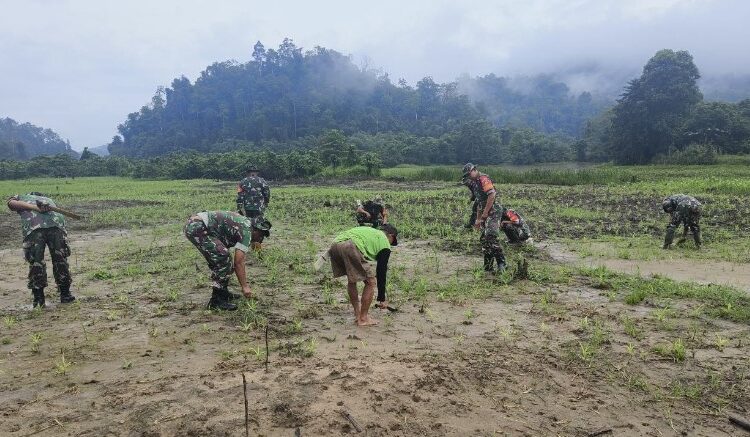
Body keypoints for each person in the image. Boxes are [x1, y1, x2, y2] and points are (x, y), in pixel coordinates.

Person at [184, 211, 271, 311]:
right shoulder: (247, 231)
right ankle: (216, 301)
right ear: (255, 230)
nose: (261, 239)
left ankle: (223, 293)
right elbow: (238, 262)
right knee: (223, 258)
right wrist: (245, 287)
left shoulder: (245, 224)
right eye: (261, 235)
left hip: (197, 225)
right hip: (197, 227)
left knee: (224, 259)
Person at [7, 192, 76, 307]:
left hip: (37, 228)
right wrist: (35, 208)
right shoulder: (43, 198)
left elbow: (10, 203)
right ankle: (65, 294)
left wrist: (35, 208)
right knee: (60, 259)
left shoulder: (21, 196)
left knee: (37, 262)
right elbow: (11, 204)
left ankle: (39, 299)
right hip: (55, 225)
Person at [326, 224, 398, 326]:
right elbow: (382, 271)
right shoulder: (384, 242)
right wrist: (382, 298)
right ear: (391, 236)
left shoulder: (369, 231)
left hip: (335, 246)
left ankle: (357, 314)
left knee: (352, 280)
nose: (390, 244)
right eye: (392, 241)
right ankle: (363, 319)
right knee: (370, 282)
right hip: (350, 246)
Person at [464, 163, 507, 273]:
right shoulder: (475, 183)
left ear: (474, 170)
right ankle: (488, 265)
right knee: (484, 238)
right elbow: (479, 203)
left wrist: (485, 213)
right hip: (485, 212)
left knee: (491, 236)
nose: (469, 177)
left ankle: (502, 263)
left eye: (469, 174)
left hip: (494, 211)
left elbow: (491, 195)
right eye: (467, 176)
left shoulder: (483, 179)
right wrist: (478, 219)